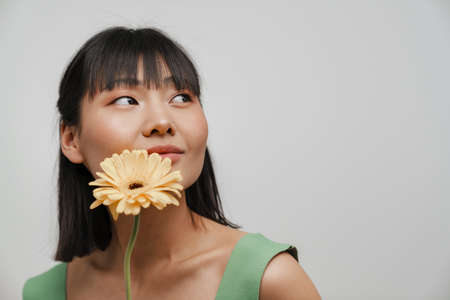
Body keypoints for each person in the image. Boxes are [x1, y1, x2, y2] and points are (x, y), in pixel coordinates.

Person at [22, 26, 322, 300]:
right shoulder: (44, 293)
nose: (162, 122)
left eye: (180, 97)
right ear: (71, 139)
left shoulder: (270, 280)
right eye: (127, 100)